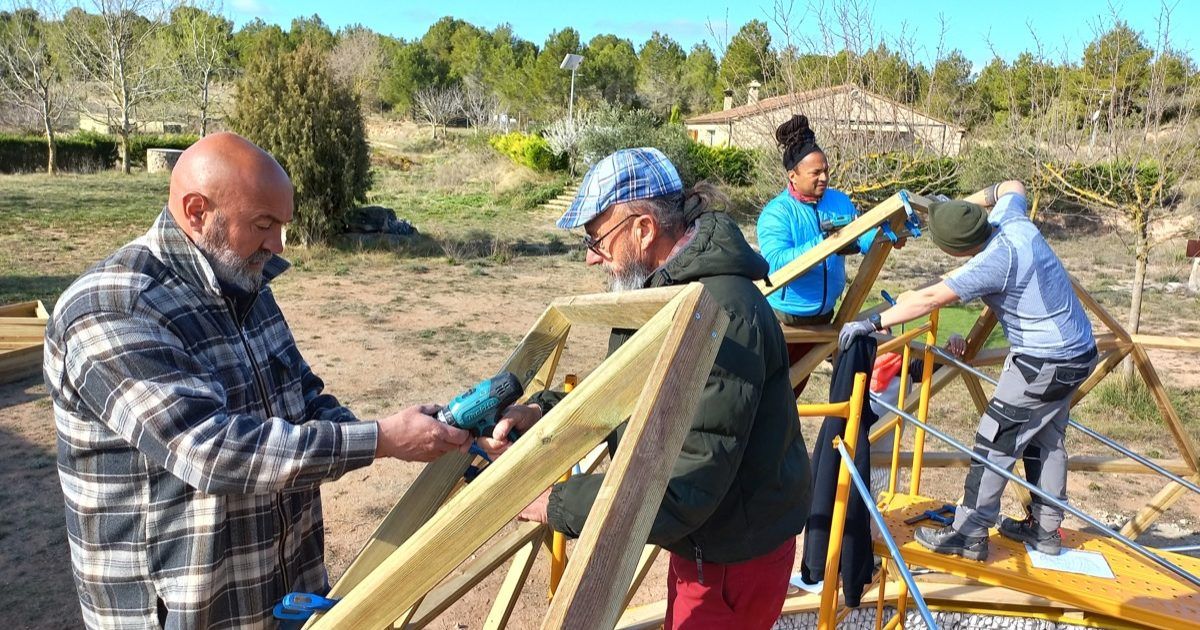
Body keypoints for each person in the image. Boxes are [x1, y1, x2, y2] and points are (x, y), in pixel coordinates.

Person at [43, 133, 477, 628]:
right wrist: (380, 439)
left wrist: (432, 431)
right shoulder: (113, 308)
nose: (278, 245)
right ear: (197, 211)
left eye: (281, 226)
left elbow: (303, 395)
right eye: (264, 224)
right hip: (187, 611)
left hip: (279, 591)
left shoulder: (244, 279)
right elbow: (212, 451)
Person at [498, 147, 813, 629]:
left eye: (596, 238)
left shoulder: (720, 313)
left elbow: (687, 483)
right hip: (705, 544)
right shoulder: (659, 289)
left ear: (644, 229)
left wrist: (556, 504)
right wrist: (544, 411)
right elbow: (629, 394)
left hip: (732, 558)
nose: (590, 256)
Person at [839, 180, 1098, 560]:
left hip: (1043, 362)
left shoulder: (991, 262)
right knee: (1045, 438)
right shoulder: (1010, 219)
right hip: (1079, 352)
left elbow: (931, 297)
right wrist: (958, 206)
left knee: (996, 439)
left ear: (956, 250)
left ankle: (969, 533)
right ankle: (1045, 530)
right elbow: (1012, 185)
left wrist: (872, 322)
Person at [756, 114, 901, 396]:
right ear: (793, 176)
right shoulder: (777, 212)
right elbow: (776, 263)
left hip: (826, 318)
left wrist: (885, 235)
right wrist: (826, 242)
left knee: (800, 388)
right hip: (786, 323)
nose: (823, 178)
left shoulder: (839, 201)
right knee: (774, 392)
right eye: (815, 173)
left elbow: (861, 236)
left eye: (826, 171)